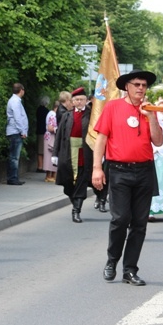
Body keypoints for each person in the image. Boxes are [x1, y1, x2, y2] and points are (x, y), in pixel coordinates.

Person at [92, 70, 163, 286]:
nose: (141, 88)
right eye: (137, 84)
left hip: (144, 171)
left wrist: (150, 116)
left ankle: (130, 269)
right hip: (119, 170)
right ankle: (112, 260)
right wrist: (97, 168)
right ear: (127, 87)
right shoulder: (113, 107)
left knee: (139, 223)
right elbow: (101, 139)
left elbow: (158, 141)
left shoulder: (151, 110)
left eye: (144, 85)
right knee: (120, 218)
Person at [53, 87, 99, 223]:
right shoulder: (67, 116)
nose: (79, 102)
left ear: (86, 100)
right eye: (77, 100)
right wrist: (55, 153)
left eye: (82, 99)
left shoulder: (91, 115)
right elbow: (59, 135)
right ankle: (73, 199)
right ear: (72, 102)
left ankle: (76, 210)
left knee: (82, 180)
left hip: (85, 152)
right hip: (68, 151)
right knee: (67, 181)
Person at [6, 83, 28, 185]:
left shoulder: (15, 101)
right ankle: (12, 178)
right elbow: (17, 117)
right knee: (14, 157)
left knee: (14, 156)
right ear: (21, 90)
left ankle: (13, 177)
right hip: (15, 131)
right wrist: (22, 131)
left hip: (15, 131)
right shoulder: (15, 101)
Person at [43, 100, 59, 183]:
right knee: (50, 156)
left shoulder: (50, 113)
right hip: (51, 137)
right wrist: (58, 129)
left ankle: (51, 175)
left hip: (48, 137)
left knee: (49, 156)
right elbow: (50, 128)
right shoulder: (53, 115)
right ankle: (49, 175)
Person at [36, 96, 50, 173]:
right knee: (43, 150)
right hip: (44, 131)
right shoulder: (46, 111)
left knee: (39, 150)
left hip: (39, 131)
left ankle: (39, 166)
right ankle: (41, 167)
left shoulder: (38, 109)